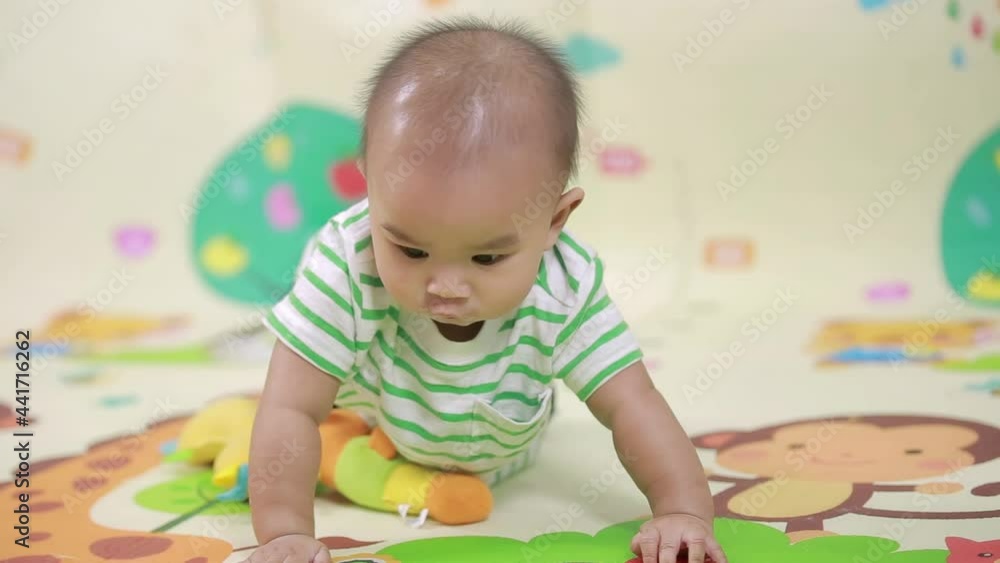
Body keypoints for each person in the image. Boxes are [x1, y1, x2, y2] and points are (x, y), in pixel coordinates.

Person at [243, 16, 727, 563]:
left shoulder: (563, 286)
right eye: (411, 250)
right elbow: (289, 407)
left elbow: (633, 404)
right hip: (388, 421)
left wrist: (683, 510)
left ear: (554, 221)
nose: (445, 286)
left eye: (487, 257)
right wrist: (283, 532)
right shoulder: (347, 262)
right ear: (371, 189)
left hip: (506, 448)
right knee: (331, 428)